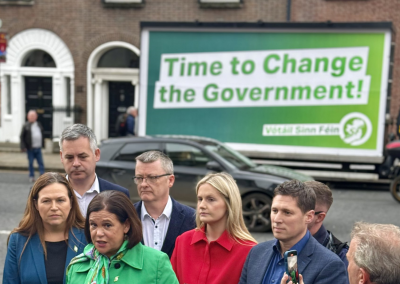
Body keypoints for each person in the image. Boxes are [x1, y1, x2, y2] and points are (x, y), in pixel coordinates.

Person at [239, 180, 349, 284]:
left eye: (287, 212)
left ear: (309, 216)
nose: (277, 219)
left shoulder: (330, 265)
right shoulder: (256, 252)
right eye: (275, 210)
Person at [66, 190, 179, 284]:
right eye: (93, 225)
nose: (99, 233)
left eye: (107, 225)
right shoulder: (77, 267)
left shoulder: (156, 263)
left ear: (126, 225)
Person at [171, 172, 257, 284]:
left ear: (229, 204)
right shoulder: (183, 241)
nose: (202, 205)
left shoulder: (249, 250)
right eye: (200, 199)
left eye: (211, 199)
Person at [2, 172, 86, 284]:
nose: (54, 207)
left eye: (60, 200)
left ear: (70, 202)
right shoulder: (19, 240)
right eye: (46, 201)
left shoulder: (88, 237)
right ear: (36, 204)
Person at [133, 150, 196, 258]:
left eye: (152, 178)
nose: (143, 184)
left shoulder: (192, 219)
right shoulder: (126, 217)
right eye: (139, 178)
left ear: (170, 180)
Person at [59, 124, 129, 217]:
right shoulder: (48, 194)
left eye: (82, 157)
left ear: (96, 154)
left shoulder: (119, 195)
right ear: (61, 157)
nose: (76, 163)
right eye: (69, 157)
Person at [305, 181, 349, 267]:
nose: (279, 219)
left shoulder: (341, 258)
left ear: (319, 217)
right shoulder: (279, 244)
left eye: (289, 212)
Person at [20, 110, 45, 182]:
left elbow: (42, 133)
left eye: (34, 116)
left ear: (36, 117)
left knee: (40, 162)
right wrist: (22, 147)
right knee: (31, 163)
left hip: (38, 147)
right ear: (28, 117)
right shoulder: (26, 126)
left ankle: (42, 176)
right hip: (30, 148)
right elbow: (22, 137)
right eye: (31, 116)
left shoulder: (39, 124)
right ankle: (31, 176)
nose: (32, 117)